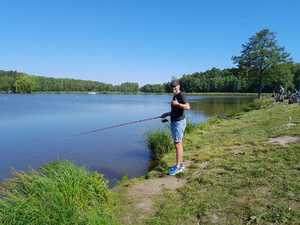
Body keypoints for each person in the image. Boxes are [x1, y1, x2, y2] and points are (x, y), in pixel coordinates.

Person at [161, 80, 191, 175]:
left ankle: (178, 167)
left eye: (175, 87)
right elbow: (176, 110)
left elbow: (187, 107)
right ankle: (180, 164)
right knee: (179, 143)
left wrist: (177, 104)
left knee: (177, 144)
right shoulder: (175, 96)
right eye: (172, 87)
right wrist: (167, 114)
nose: (174, 89)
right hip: (175, 121)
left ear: (179, 86)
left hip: (179, 123)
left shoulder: (181, 95)